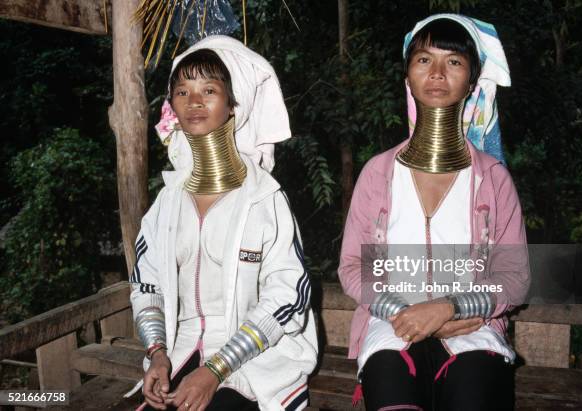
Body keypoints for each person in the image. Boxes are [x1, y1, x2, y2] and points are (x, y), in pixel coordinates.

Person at [338, 14, 530, 411]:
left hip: (472, 332)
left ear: (473, 83)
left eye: (454, 62)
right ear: (408, 77)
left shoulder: (492, 179)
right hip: (392, 330)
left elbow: (514, 277)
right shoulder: (379, 173)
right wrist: (406, 314)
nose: (438, 73)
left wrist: (450, 307)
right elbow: (353, 267)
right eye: (424, 60)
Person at [127, 35, 317, 411]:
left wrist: (215, 370)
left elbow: (289, 297)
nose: (194, 101)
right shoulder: (167, 203)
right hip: (182, 348)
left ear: (232, 105)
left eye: (209, 90)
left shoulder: (265, 199)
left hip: (255, 356)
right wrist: (158, 354)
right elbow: (145, 283)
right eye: (182, 92)